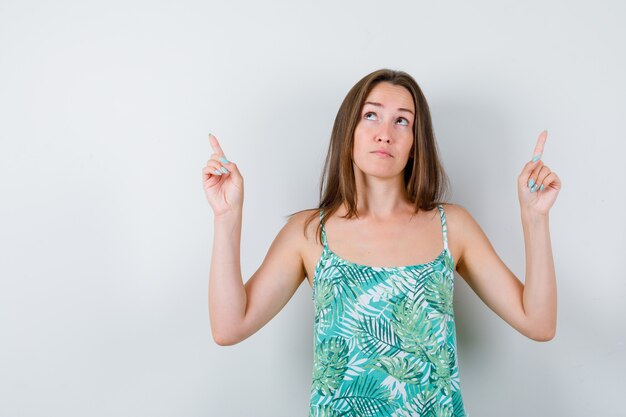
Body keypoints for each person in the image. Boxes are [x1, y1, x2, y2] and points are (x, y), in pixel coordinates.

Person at [202, 68, 561, 417]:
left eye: (402, 120)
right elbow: (229, 327)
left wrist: (535, 217)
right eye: (371, 116)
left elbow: (539, 323)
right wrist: (227, 216)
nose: (385, 133)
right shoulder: (309, 233)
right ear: (349, 132)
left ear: (416, 143)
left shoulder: (453, 226)